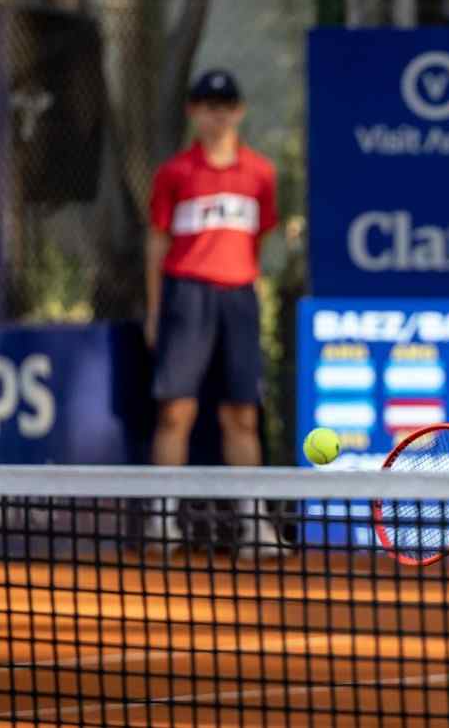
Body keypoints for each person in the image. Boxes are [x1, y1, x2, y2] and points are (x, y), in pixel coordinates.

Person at [145, 69, 282, 560]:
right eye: (207, 105)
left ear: (239, 111)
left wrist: (244, 282)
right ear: (193, 112)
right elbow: (157, 242)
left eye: (225, 105)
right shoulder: (174, 174)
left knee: (241, 415)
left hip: (239, 298)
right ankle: (163, 520)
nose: (217, 114)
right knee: (175, 411)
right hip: (186, 296)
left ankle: (254, 524)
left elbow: (258, 238)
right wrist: (155, 310)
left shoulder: (261, 173)